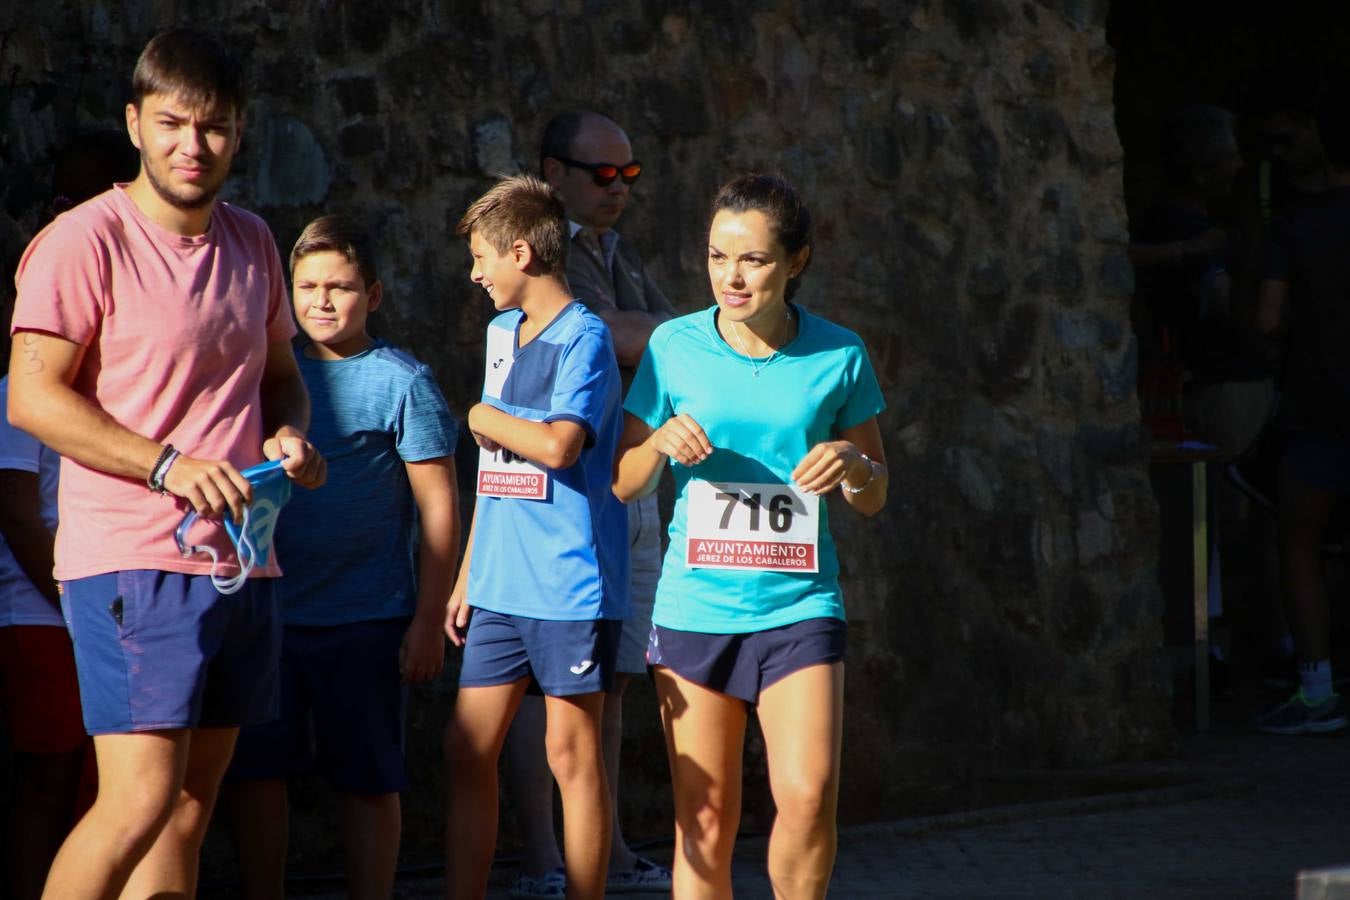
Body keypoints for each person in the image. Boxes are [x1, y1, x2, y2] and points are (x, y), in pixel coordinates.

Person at [6, 27, 325, 899]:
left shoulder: (254, 241)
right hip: (131, 560)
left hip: (242, 561)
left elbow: (283, 381)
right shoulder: (83, 240)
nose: (194, 145)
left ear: (240, 131)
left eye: (214, 126)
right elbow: (33, 398)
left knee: (188, 808)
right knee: (136, 802)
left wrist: (288, 437)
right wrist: (166, 465)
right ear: (135, 124)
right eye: (173, 123)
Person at [613, 174, 888, 898]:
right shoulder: (673, 345)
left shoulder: (840, 353)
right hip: (696, 608)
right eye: (717, 257)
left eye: (753, 260)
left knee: (809, 798)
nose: (730, 277)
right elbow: (624, 481)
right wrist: (658, 444)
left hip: (800, 606)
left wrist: (854, 463)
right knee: (704, 822)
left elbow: (874, 494)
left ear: (796, 261)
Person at [221, 215, 460, 899]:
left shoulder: (403, 382)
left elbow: (439, 506)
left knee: (369, 777)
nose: (322, 301)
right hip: (269, 612)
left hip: (367, 619)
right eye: (308, 286)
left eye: (341, 287)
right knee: (256, 771)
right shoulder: (262, 377)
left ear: (374, 295)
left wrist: (426, 621)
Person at [501, 109, 674, 899]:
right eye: (604, 174)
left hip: (630, 486)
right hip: (563, 497)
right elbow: (618, 336)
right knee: (547, 687)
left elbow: (666, 339)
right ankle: (544, 859)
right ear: (555, 172)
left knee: (613, 679)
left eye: (629, 174)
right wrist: (670, 333)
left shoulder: (615, 248)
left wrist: (657, 333)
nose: (620, 188)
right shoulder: (540, 250)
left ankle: (603, 852)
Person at [443, 174, 629, 900]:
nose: (475, 273)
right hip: (498, 584)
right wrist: (468, 572)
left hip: (568, 586)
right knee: (466, 749)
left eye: (482, 257)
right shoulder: (499, 333)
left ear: (520, 253)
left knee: (571, 755)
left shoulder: (587, 336)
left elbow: (558, 446)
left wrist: (481, 416)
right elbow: (495, 473)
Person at [1253, 84, 1350, 736]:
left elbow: (1267, 318)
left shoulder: (1294, 225)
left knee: (1300, 543)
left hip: (1320, 407)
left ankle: (1317, 689)